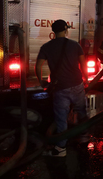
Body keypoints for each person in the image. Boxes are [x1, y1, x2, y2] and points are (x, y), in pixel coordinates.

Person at [35, 19, 88, 157]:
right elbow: (83, 65)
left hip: (60, 88)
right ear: (66, 30)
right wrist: (86, 79)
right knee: (81, 110)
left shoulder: (46, 47)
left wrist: (41, 81)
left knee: (61, 118)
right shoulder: (75, 45)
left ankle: (61, 148)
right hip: (77, 85)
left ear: (53, 32)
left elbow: (38, 66)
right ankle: (84, 137)